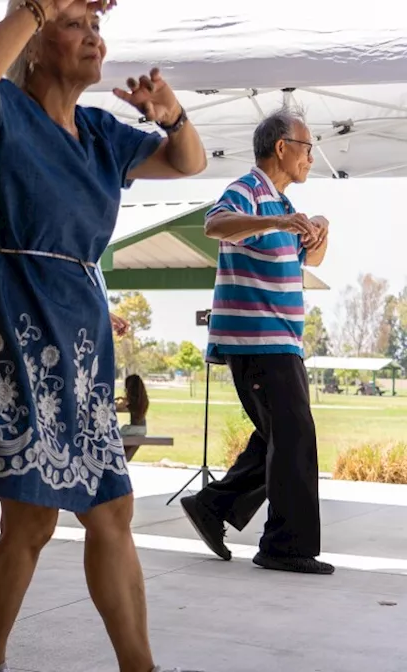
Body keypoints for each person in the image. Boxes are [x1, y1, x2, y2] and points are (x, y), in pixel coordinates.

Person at [0, 1, 208, 671]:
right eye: (75, 25)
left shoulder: (100, 132)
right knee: (29, 519)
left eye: (97, 29)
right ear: (34, 42)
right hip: (11, 312)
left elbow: (188, 163)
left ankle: (138, 666)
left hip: (79, 326)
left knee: (111, 508)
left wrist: (170, 113)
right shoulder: (2, 110)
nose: (94, 38)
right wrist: (35, 6)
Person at [180, 108, 333, 576]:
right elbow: (214, 224)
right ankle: (285, 546)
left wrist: (321, 229)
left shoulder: (284, 206)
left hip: (282, 341)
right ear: (283, 148)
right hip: (256, 341)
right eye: (307, 148)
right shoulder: (248, 190)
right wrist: (279, 225)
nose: (311, 157)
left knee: (278, 437)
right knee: (294, 438)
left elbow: (316, 260)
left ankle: (212, 506)